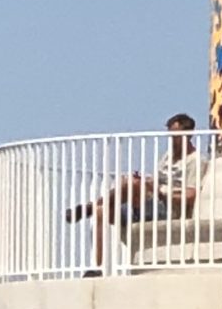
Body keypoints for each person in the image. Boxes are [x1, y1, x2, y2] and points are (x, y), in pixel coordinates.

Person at [66, 112, 205, 272]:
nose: (173, 141)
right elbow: (156, 180)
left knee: (132, 184)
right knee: (102, 211)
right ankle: (98, 267)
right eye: (171, 137)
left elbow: (191, 195)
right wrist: (148, 182)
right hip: (150, 201)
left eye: (176, 137)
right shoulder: (168, 157)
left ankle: (88, 207)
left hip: (168, 208)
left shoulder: (196, 160)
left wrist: (161, 192)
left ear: (188, 135)